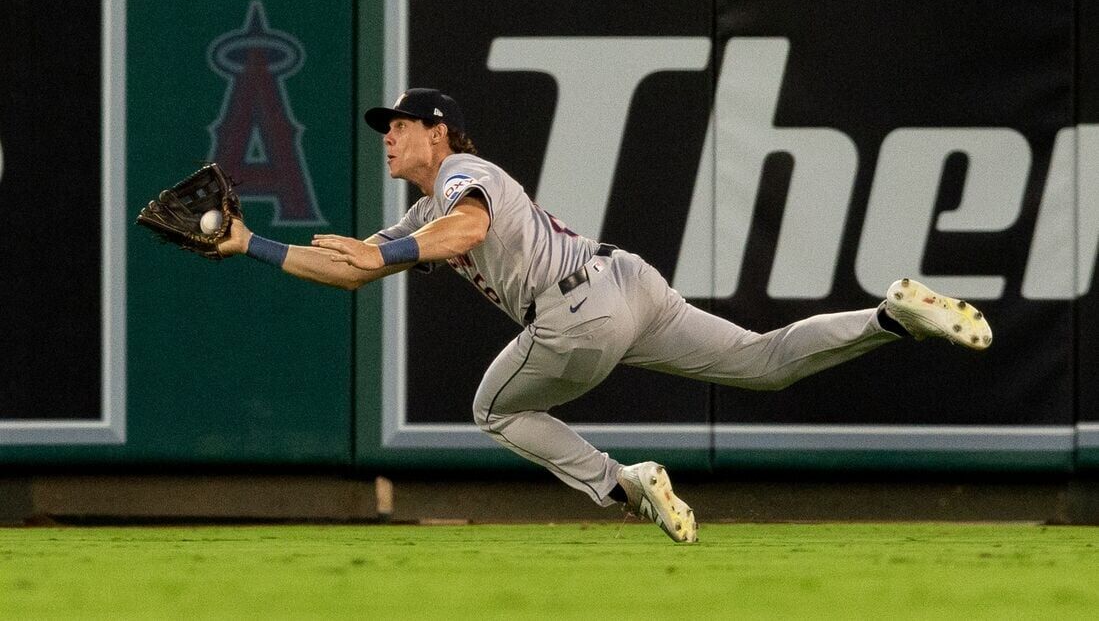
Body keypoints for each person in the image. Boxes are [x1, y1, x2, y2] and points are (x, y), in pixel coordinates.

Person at [217, 88, 993, 543]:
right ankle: (889, 316)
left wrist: (383, 253)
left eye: (400, 123)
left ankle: (623, 482)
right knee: (763, 360)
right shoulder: (425, 206)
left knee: (492, 406)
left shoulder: (462, 173)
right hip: (628, 282)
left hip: (577, 312)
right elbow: (350, 268)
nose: (388, 134)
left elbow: (468, 230)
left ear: (439, 130)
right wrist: (251, 242)